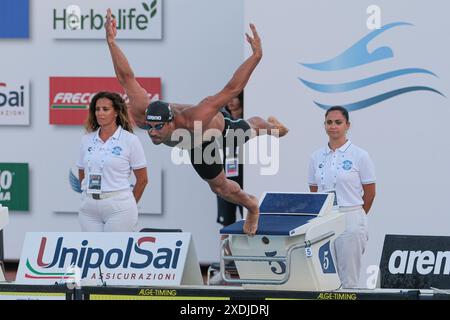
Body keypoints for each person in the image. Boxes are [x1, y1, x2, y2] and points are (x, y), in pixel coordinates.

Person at [104, 9, 288, 236]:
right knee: (219, 188)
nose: (152, 132)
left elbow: (232, 89)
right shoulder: (143, 112)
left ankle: (270, 127)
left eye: (158, 127)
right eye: (149, 127)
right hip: (193, 144)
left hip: (214, 132)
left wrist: (256, 57)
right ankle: (251, 204)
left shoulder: (194, 119)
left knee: (251, 129)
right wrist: (111, 42)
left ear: (171, 123)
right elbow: (126, 77)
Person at [308, 106, 376, 288]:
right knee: (326, 279)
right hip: (325, 220)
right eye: (329, 122)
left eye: (338, 122)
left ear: (347, 125)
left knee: (348, 280)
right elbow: (314, 189)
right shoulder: (316, 157)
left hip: (351, 217)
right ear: (324, 125)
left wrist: (356, 217)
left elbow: (370, 192)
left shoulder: (360, 155)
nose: (333, 126)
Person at [77, 91, 148, 232]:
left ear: (116, 112)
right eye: (97, 109)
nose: (100, 113)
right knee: (92, 251)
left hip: (119, 207)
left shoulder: (130, 140)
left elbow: (143, 179)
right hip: (89, 208)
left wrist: (129, 205)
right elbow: (81, 173)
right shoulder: (86, 139)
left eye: (105, 109)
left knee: (115, 252)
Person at [217, 91, 244, 227]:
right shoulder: (222, 119)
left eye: (234, 98)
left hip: (244, 176)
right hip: (226, 175)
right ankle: (224, 248)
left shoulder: (248, 119)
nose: (231, 101)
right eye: (229, 98)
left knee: (247, 219)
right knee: (226, 223)